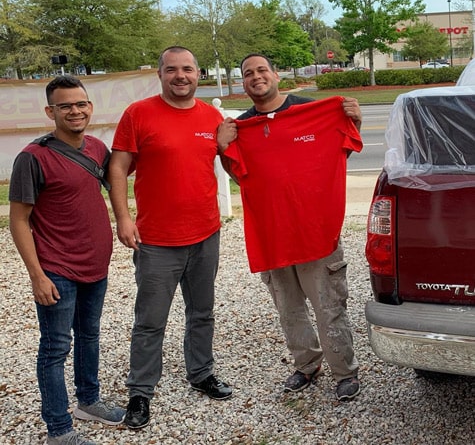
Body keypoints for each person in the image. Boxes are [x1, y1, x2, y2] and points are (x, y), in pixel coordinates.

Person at [217, 53, 363, 401]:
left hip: (315, 230)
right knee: (289, 308)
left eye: (262, 70)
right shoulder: (241, 128)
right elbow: (239, 176)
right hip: (272, 235)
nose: (256, 77)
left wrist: (352, 120)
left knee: (329, 306)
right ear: (243, 82)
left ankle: (345, 371)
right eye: (248, 73)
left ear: (276, 74)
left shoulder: (312, 111)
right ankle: (306, 365)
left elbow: (338, 155)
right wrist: (224, 147)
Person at [108, 45, 232, 430]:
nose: (181, 76)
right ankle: (141, 391)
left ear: (199, 74)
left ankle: (201, 373)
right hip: (157, 240)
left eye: (188, 70)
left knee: (202, 313)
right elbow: (117, 167)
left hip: (205, 234)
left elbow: (238, 163)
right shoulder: (139, 114)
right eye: (172, 70)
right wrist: (124, 218)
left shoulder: (212, 117)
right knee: (150, 321)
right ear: (160, 74)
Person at [8, 75, 125, 445]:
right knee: (55, 347)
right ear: (50, 111)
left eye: (81, 104)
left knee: (90, 336)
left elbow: (122, 176)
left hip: (96, 265)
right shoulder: (32, 157)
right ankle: (59, 430)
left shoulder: (96, 148)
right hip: (56, 269)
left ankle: (88, 401)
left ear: (90, 107)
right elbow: (19, 220)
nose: (75, 111)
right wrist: (36, 276)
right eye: (65, 106)